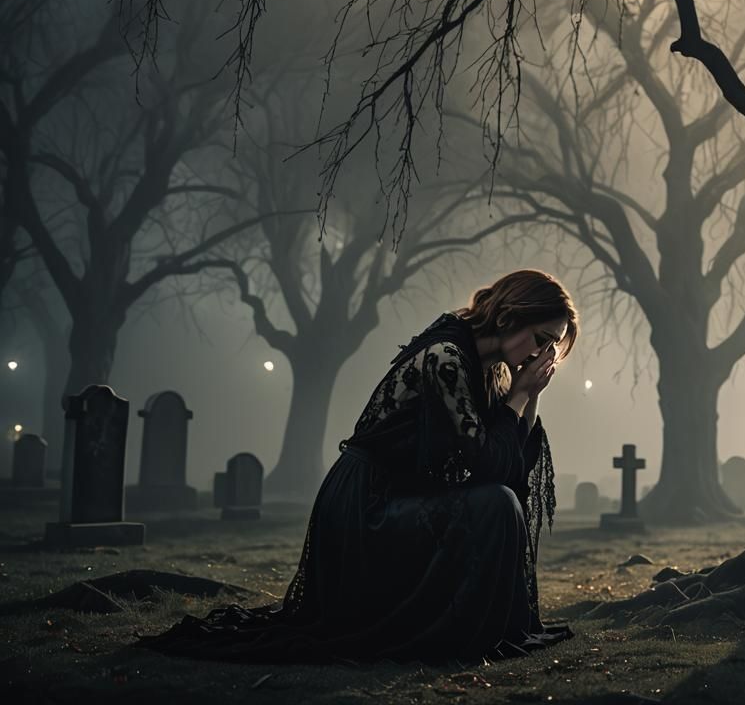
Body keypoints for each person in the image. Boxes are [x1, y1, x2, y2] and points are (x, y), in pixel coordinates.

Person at [141, 269, 579, 663]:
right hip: (367, 505)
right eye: (541, 340)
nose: (542, 356)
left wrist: (530, 393)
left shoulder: (496, 372)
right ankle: (453, 626)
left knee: (501, 502)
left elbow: (510, 469)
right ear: (508, 319)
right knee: (496, 504)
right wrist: (519, 396)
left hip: (411, 497)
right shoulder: (446, 357)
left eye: (552, 349)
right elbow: (487, 466)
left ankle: (486, 624)